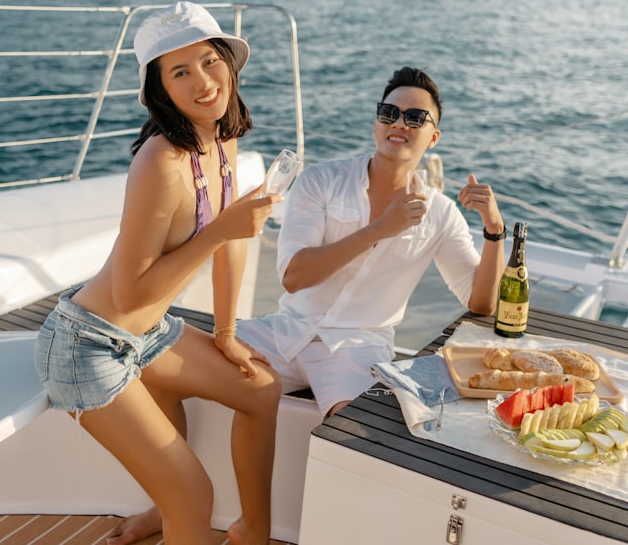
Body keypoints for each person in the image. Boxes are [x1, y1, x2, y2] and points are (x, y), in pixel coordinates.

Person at [107, 65, 506, 543]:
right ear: (377, 122)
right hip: (284, 330)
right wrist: (379, 229)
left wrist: (493, 229)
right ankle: (166, 504)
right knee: (150, 364)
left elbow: (479, 301)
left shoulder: (439, 214)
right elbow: (294, 277)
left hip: (356, 348)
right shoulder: (321, 181)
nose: (399, 122)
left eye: (415, 117)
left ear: (433, 136)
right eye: (389, 112)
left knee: (357, 441)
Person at [34, 1, 281, 545]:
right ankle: (170, 511)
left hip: (144, 334)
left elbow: (231, 244)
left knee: (263, 390)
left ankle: (253, 534)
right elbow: (131, 291)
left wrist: (227, 333)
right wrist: (221, 230)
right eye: (180, 71)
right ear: (160, 89)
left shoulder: (222, 140)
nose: (203, 81)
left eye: (210, 61)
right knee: (194, 498)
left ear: (230, 66)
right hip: (87, 346)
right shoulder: (159, 162)